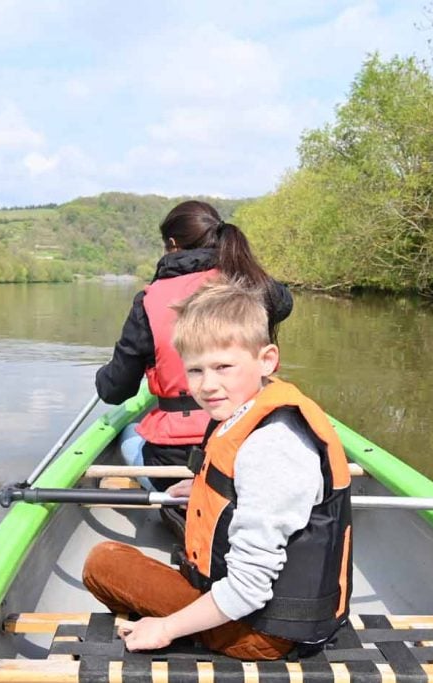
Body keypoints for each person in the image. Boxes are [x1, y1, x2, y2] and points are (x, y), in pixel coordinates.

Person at [82, 279, 352, 660]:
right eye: (195, 371)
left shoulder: (271, 447)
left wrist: (165, 627)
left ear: (267, 359)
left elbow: (249, 588)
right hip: (269, 616)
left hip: (265, 632)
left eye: (223, 367)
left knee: (103, 562)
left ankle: (184, 635)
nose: (208, 386)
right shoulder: (252, 410)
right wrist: (206, 490)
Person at [95, 200, 292, 492]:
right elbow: (284, 303)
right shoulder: (250, 282)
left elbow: (115, 391)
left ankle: (153, 486)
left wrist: (104, 375)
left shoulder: (150, 299)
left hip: (173, 464)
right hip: (246, 447)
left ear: (172, 245)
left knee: (129, 434)